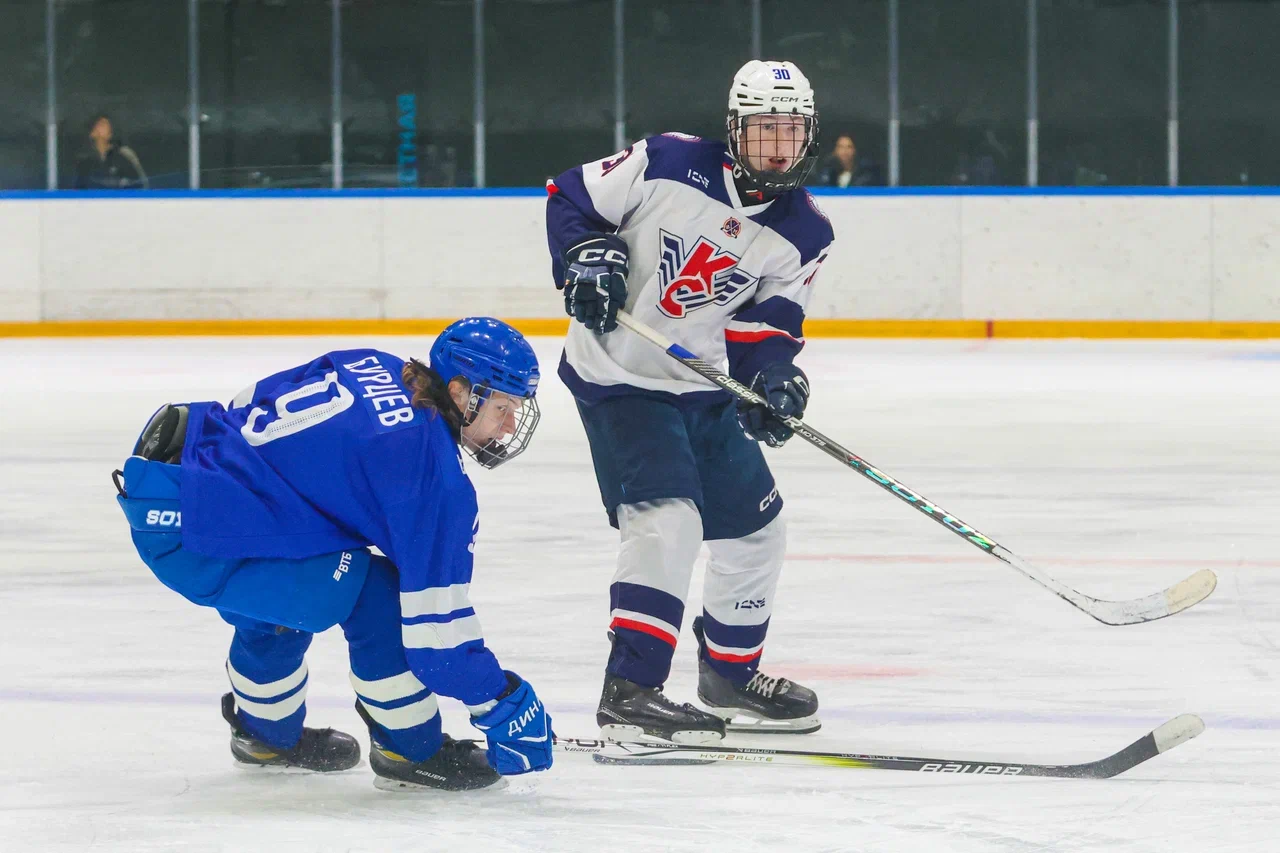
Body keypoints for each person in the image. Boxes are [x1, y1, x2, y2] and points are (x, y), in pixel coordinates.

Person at [112, 318, 553, 791]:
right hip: (207, 531)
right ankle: (410, 750)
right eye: (503, 406)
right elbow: (436, 635)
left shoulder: (373, 364)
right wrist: (500, 701)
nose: (509, 425)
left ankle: (266, 735)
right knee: (376, 596)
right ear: (461, 392)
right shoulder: (434, 482)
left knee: (300, 577)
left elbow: (246, 403)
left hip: (176, 491)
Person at [545, 60, 835, 744]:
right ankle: (632, 689)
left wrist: (771, 381)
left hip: (700, 386)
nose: (776, 147)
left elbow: (767, 326)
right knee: (668, 520)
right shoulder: (667, 161)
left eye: (789, 132)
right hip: (619, 377)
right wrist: (587, 254)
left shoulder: (806, 232)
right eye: (763, 130)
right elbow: (569, 196)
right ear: (734, 130)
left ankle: (730, 674)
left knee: (755, 528)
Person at [74, 114, 147, 189]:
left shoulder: (124, 155)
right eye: (98, 124)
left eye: (104, 124)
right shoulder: (85, 163)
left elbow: (138, 186)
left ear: (110, 133)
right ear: (92, 133)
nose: (99, 126)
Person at [816, 133, 883, 187]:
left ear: (855, 150)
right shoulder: (827, 173)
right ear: (835, 150)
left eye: (849, 147)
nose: (844, 151)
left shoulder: (865, 175)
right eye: (840, 147)